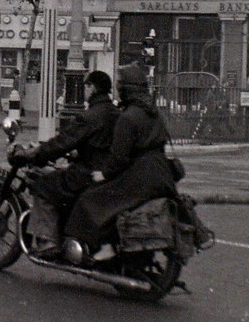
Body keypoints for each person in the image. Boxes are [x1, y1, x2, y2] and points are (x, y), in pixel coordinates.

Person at [62, 62, 178, 262]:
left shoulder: (128, 118)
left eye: (120, 85)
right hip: (161, 172)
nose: (117, 89)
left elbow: (119, 156)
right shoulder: (153, 113)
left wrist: (104, 174)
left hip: (141, 174)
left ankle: (106, 245)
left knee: (91, 198)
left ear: (127, 89)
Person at [8, 71, 119, 259]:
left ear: (92, 88)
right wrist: (78, 152)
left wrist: (36, 154)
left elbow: (62, 142)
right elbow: (100, 143)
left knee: (44, 186)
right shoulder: (114, 113)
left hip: (87, 172)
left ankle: (48, 241)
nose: (84, 90)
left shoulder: (90, 116)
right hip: (106, 171)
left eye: (86, 86)